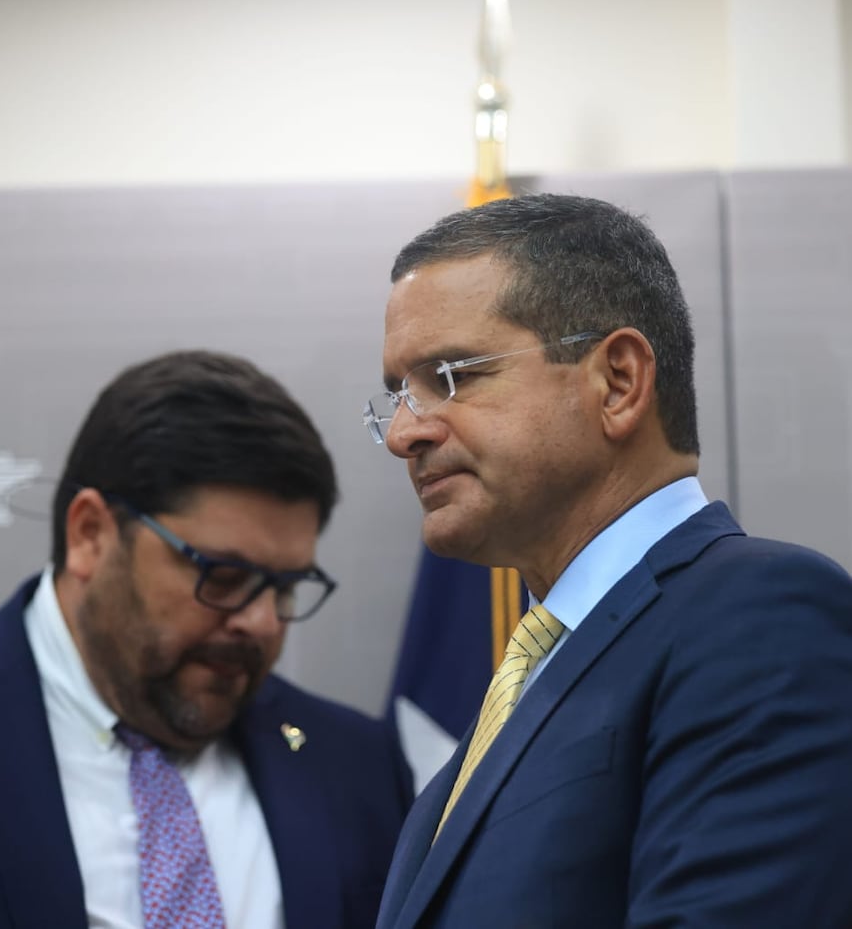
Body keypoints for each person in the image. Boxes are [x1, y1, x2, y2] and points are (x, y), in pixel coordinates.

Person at [364, 193, 852, 928]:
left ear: (618, 381)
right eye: (399, 394)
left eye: (451, 375)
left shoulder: (760, 616)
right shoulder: (532, 672)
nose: (405, 432)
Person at [0, 349, 413, 929]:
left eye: (285, 587)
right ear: (90, 536)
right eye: (223, 576)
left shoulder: (356, 767)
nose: (260, 622)